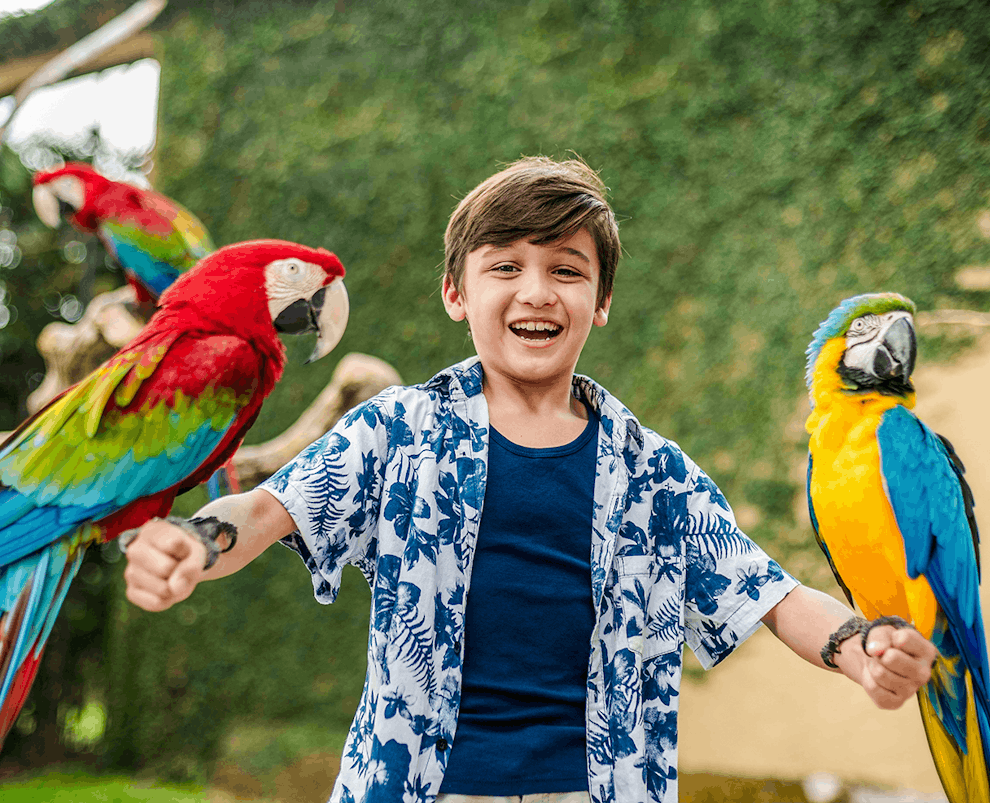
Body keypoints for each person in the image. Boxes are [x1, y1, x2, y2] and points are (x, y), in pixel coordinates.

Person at [120, 156, 937, 803]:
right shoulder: (396, 432)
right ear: (456, 292)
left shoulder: (655, 475)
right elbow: (265, 512)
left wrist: (860, 647)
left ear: (602, 300)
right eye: (504, 266)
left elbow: (772, 593)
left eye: (567, 270)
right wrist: (191, 542)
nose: (536, 291)